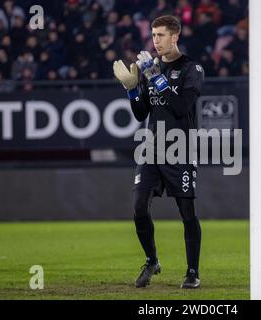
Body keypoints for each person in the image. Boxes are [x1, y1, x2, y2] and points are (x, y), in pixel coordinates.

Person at [113, 15, 204, 289]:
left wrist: (154, 77)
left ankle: (192, 272)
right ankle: (152, 261)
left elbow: (180, 108)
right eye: (153, 35)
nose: (156, 41)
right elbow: (142, 111)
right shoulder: (150, 69)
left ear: (175, 36)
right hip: (152, 148)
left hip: (180, 148)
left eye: (161, 35)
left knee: (186, 211)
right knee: (139, 207)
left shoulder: (192, 69)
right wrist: (131, 90)